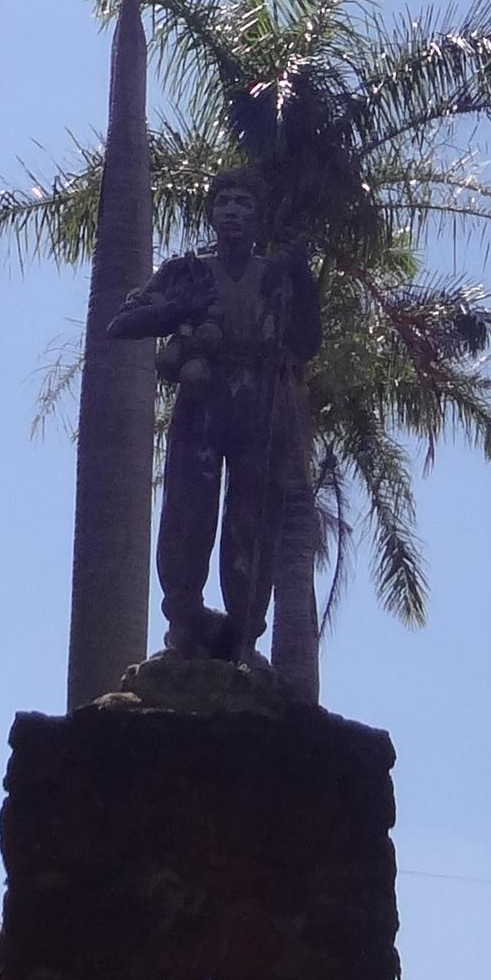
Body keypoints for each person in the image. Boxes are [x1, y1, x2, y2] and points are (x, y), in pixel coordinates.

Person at [109, 167, 320, 661]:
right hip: (203, 402)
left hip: (259, 406)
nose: (232, 212)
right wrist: (177, 310)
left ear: (257, 216)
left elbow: (305, 341)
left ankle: (244, 632)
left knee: (252, 517)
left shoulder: (276, 276)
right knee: (188, 507)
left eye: (243, 203)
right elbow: (124, 322)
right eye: (224, 202)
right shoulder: (189, 271)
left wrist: (302, 276)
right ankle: (183, 618)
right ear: (211, 214)